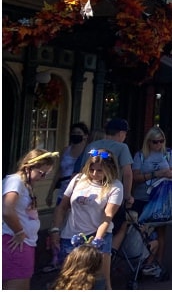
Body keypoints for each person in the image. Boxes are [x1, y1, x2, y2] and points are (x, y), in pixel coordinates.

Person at [49, 149, 124, 290]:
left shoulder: (115, 186)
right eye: (92, 169)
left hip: (97, 235)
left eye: (100, 171)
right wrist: (55, 230)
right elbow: (62, 207)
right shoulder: (78, 179)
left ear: (109, 169)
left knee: (100, 280)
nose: (95, 174)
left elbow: (107, 215)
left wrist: (97, 241)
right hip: (71, 236)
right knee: (70, 278)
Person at [3, 149, 58, 289]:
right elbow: (6, 209)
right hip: (15, 242)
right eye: (41, 173)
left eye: (47, 173)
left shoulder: (26, 185)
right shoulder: (15, 181)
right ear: (28, 167)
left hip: (25, 243)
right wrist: (20, 232)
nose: (44, 177)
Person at [131, 126, 172, 275]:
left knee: (161, 232)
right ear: (148, 142)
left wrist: (169, 174)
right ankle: (142, 262)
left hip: (160, 199)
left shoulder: (168, 154)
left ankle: (158, 263)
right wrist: (156, 174)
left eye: (161, 141)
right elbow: (135, 177)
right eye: (155, 142)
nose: (158, 145)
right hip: (142, 197)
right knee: (140, 231)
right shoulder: (140, 156)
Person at [47, 123, 90, 208]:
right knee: (57, 218)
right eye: (73, 133)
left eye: (78, 133)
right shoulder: (66, 151)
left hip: (80, 193)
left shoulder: (88, 152)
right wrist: (50, 192)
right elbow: (59, 172)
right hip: (63, 191)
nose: (75, 135)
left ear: (85, 136)